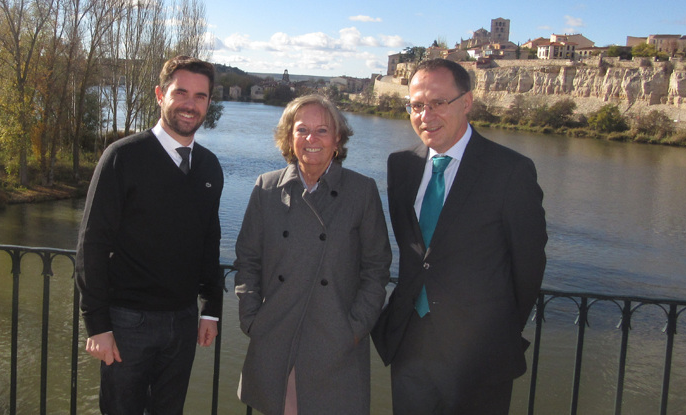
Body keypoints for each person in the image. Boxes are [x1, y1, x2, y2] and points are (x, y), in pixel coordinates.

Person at [371, 58, 548, 414]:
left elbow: (528, 267)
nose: (426, 114)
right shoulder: (401, 166)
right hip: (410, 345)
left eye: (438, 103)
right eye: (417, 105)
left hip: (479, 354)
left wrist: (497, 330)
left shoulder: (510, 171)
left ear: (466, 103)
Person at [74, 55, 224, 415]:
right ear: (160, 95)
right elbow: (92, 245)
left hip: (184, 322)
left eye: (200, 96)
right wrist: (97, 326)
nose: (190, 104)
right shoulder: (122, 158)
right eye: (181, 92)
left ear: (208, 104)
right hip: (128, 323)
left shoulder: (208, 166)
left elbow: (209, 241)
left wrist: (211, 310)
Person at [234, 95, 392, 415]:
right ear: (289, 139)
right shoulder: (266, 188)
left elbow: (376, 268)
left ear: (337, 140)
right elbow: (247, 259)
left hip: (334, 342)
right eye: (302, 130)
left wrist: (356, 328)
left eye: (322, 130)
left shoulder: (362, 191)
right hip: (276, 337)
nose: (311, 139)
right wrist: (252, 318)